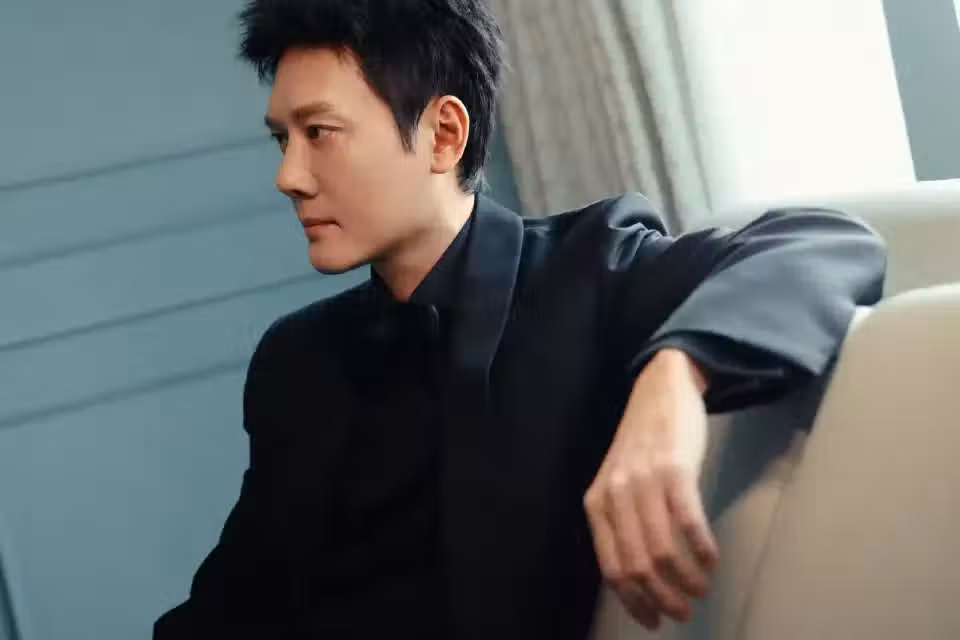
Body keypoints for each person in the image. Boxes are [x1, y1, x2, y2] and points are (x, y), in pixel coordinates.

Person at [153, 1, 887, 638]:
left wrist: (673, 381)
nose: (289, 176)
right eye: (283, 139)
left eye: (319, 132)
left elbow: (824, 244)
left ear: (444, 135)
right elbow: (232, 606)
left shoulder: (588, 271)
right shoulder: (295, 359)